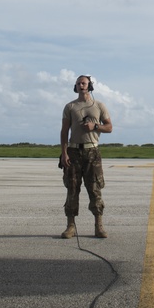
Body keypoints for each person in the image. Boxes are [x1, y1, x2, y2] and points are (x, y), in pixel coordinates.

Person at [59, 74, 113, 239]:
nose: (81, 85)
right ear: (75, 86)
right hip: (74, 151)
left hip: (92, 152)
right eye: (78, 83)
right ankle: (70, 226)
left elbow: (109, 127)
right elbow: (64, 131)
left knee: (95, 189)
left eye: (84, 83)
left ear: (90, 86)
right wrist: (64, 152)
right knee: (72, 189)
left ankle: (99, 225)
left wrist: (95, 126)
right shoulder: (70, 107)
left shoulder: (99, 105)